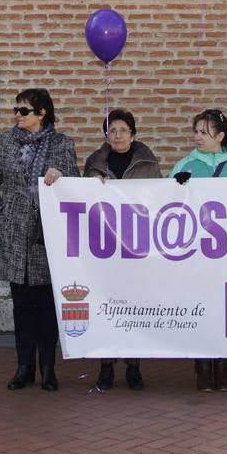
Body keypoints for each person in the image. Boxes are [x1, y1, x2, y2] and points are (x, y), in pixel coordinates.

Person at [0, 88, 78, 392]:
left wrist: (60, 173)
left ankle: (48, 368)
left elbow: (75, 182)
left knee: (47, 306)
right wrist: (1, 215)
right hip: (14, 238)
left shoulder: (61, 144)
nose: (17, 115)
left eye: (24, 110)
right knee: (21, 306)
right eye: (16, 110)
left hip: (46, 237)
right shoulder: (5, 142)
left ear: (41, 113)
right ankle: (24, 367)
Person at [82, 108, 162, 392]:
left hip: (137, 246)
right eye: (112, 130)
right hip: (104, 247)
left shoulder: (148, 163)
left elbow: (158, 201)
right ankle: (105, 366)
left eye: (123, 130)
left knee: (134, 304)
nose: (118, 135)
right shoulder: (94, 164)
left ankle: (133, 366)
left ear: (133, 133)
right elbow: (84, 204)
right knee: (106, 305)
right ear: (106, 134)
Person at [171, 108, 227, 392]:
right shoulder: (184, 165)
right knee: (200, 306)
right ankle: (202, 367)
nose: (197, 137)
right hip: (196, 251)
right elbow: (168, 206)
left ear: (220, 136)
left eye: (204, 132)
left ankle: (223, 365)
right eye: (196, 131)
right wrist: (174, 189)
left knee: (224, 308)